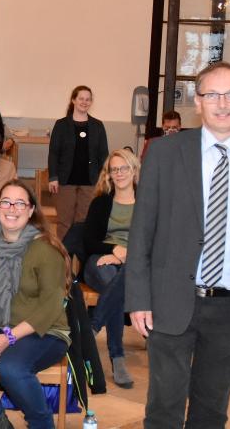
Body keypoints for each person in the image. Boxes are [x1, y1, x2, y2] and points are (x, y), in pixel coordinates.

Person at [125, 61, 230, 428]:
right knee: (164, 407)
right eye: (212, 95)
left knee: (211, 410)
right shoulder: (165, 153)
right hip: (169, 299)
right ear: (197, 102)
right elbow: (142, 231)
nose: (222, 103)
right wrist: (138, 297)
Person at [0, 180, 71, 429]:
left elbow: (51, 306)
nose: (12, 208)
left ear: (31, 211)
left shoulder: (46, 250)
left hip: (43, 329)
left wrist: (8, 338)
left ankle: (42, 424)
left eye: (20, 203)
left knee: (12, 368)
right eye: (6, 202)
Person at [80, 148, 140, 388]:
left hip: (133, 263)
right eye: (115, 169)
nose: (120, 173)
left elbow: (155, 240)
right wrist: (113, 251)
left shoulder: (147, 200)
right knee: (113, 280)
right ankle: (117, 357)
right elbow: (89, 241)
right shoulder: (101, 202)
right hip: (100, 260)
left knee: (121, 280)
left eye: (124, 167)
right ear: (109, 175)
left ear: (134, 170)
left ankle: (94, 328)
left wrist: (127, 256)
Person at [46, 85, 109, 241]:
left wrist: (105, 179)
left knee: (84, 222)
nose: (84, 102)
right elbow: (54, 153)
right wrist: (53, 176)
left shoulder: (98, 126)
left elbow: (104, 155)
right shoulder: (61, 125)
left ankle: (80, 262)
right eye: (81, 98)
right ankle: (63, 260)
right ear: (74, 100)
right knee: (64, 223)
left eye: (88, 99)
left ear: (91, 102)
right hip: (65, 182)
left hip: (91, 182)